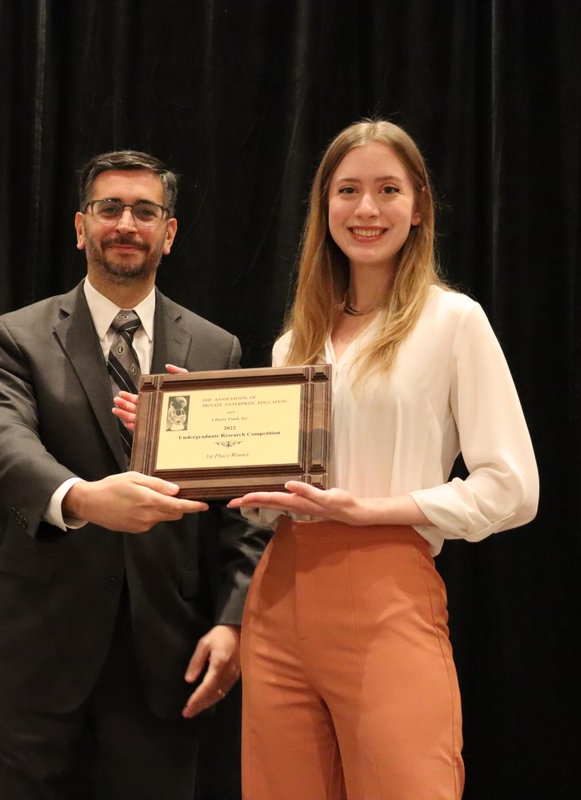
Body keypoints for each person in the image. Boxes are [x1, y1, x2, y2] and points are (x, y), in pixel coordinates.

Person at [229, 120, 540, 799]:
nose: (366, 208)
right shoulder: (294, 343)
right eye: (347, 190)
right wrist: (194, 444)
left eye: (388, 189)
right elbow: (272, 491)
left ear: (419, 206)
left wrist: (372, 511)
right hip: (278, 597)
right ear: (324, 206)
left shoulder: (454, 321)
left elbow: (513, 487)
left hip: (387, 591)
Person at [0, 149, 268, 800]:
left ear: (169, 232)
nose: (126, 224)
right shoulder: (18, 335)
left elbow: (243, 508)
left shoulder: (217, 349)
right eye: (109, 208)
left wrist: (234, 620)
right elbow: (0, 442)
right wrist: (81, 499)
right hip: (36, 655)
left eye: (145, 211)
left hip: (164, 661)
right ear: (81, 227)